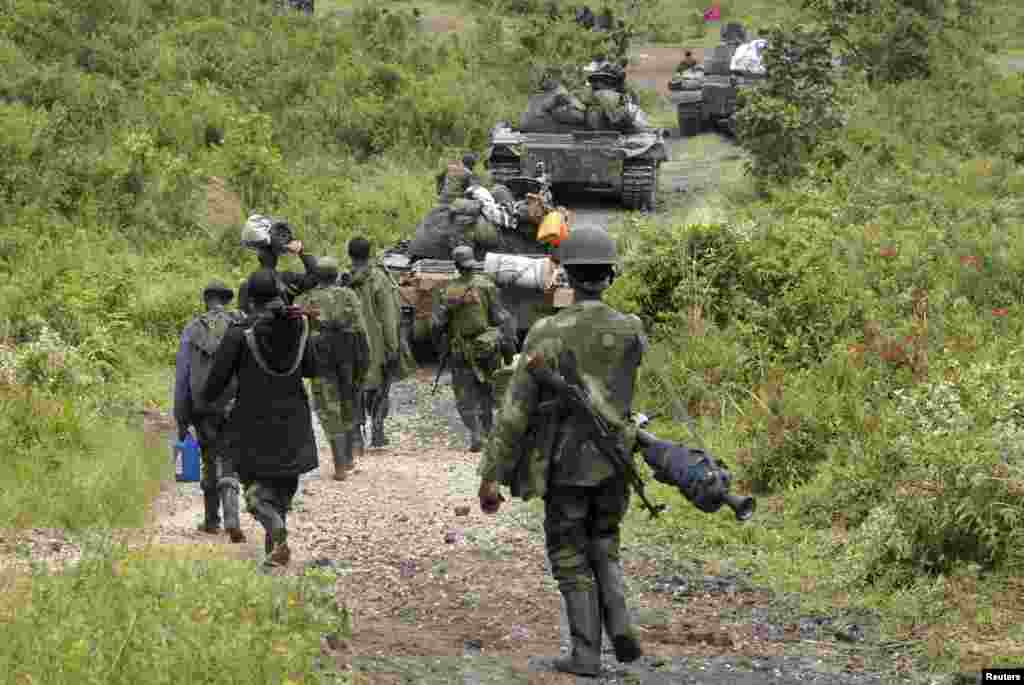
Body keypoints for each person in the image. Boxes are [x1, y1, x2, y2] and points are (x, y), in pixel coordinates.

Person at [476, 226, 647, 676]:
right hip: (617, 461)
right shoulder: (632, 329)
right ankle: (621, 625)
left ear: (567, 275)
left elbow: (515, 411)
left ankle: (586, 654)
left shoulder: (546, 332)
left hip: (566, 463)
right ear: (610, 275)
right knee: (604, 543)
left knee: (569, 554)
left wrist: (492, 474)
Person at [201, 270, 321, 567]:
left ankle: (276, 533)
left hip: (252, 424)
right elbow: (312, 368)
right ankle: (275, 553)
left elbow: (215, 383)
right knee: (281, 490)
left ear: (250, 300)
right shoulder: (299, 325)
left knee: (257, 493)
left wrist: (207, 402)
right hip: (294, 422)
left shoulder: (240, 333)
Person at [174, 280, 247, 542]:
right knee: (230, 458)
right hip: (235, 403)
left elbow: (183, 375)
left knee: (209, 458)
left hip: (203, 406)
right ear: (227, 301)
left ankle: (212, 521)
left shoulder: (193, 329)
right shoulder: (241, 325)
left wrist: (181, 417)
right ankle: (232, 517)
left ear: (206, 300)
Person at [432, 245, 515, 452]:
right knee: (487, 393)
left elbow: (438, 324)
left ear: (456, 265)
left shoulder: (448, 290)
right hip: (488, 347)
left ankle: (476, 434)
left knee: (463, 397)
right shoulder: (487, 285)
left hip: (461, 350)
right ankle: (487, 433)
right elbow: (500, 318)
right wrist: (508, 350)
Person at [294, 256, 370, 480]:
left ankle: (340, 466)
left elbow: (296, 329)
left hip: (321, 360)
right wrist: (364, 362)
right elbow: (361, 329)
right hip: (348, 358)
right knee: (348, 403)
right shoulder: (349, 295)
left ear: (316, 276)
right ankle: (348, 459)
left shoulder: (306, 299)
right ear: (336, 274)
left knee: (329, 409)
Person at [348, 237, 403, 448]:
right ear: (369, 253)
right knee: (380, 386)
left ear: (350, 255)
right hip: (376, 344)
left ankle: (356, 435)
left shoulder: (344, 278)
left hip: (352, 344)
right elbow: (388, 318)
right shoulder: (379, 278)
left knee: (354, 387)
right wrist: (393, 347)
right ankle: (377, 430)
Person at [240, 214, 321, 307]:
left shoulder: (246, 284)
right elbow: (315, 277)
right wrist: (301, 250)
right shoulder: (285, 279)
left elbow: (242, 313)